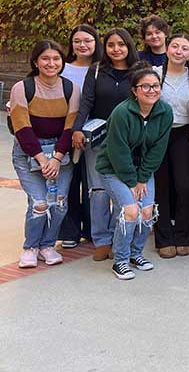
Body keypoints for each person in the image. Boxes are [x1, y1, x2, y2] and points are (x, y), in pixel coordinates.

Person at [95, 62, 173, 280]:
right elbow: (117, 152)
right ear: (134, 90)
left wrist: (141, 178)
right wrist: (131, 181)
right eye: (145, 86)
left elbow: (157, 151)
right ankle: (120, 259)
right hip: (113, 169)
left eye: (156, 86)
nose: (152, 90)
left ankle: (135, 254)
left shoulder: (165, 112)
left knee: (147, 211)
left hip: (142, 171)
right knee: (131, 211)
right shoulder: (122, 113)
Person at [10, 40, 80, 268]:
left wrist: (57, 157)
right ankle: (30, 247)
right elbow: (22, 127)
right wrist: (42, 158)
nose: (51, 63)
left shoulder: (71, 88)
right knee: (39, 203)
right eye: (45, 58)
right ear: (36, 61)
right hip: (29, 152)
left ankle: (47, 245)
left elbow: (70, 127)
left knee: (59, 203)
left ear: (62, 61)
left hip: (61, 154)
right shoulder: (23, 87)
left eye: (56, 58)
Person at [71, 28, 139, 262]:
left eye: (121, 44)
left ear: (129, 46)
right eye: (111, 44)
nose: (116, 49)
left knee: (123, 192)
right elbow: (86, 102)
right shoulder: (97, 70)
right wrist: (77, 128)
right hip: (98, 140)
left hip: (129, 141)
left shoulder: (139, 72)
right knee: (98, 191)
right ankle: (102, 240)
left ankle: (119, 238)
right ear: (105, 47)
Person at [153, 33, 189, 258]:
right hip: (158, 134)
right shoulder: (154, 74)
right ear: (167, 48)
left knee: (183, 186)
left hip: (184, 134)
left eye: (185, 48)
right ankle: (163, 238)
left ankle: (183, 236)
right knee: (161, 187)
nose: (179, 51)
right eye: (175, 46)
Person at [59, 24, 102, 249]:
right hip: (66, 131)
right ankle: (70, 230)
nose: (82, 45)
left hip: (95, 134)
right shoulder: (62, 67)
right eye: (77, 41)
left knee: (94, 184)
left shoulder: (101, 68)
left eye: (87, 40)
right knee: (69, 181)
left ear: (96, 43)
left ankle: (94, 229)